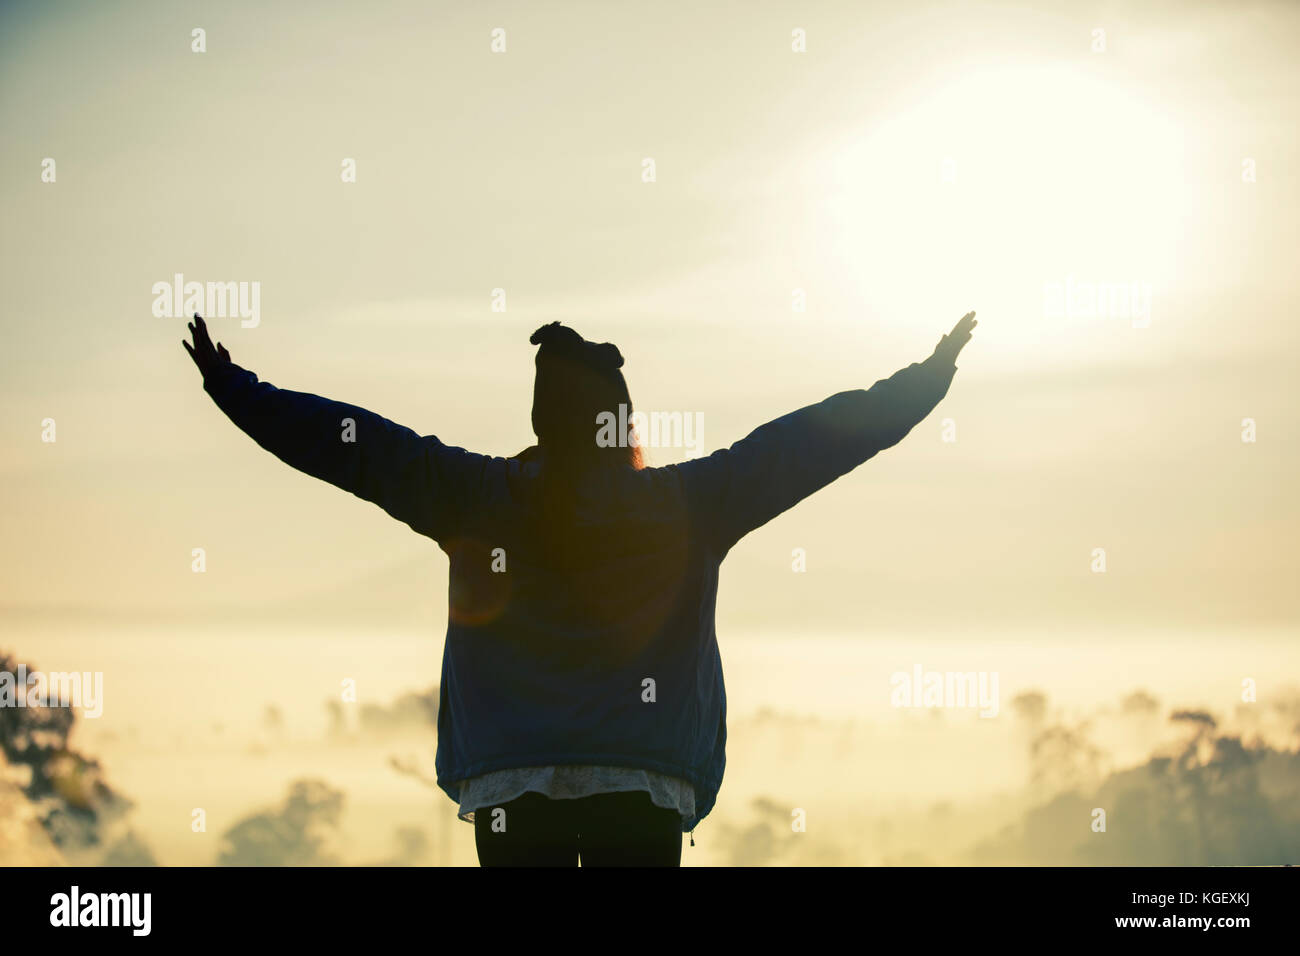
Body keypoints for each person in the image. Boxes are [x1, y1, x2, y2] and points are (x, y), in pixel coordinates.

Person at [183, 310, 976, 866]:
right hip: (641, 780)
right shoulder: (691, 504)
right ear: (618, 419)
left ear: (541, 417)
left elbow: (352, 446)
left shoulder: (471, 495)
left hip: (510, 779)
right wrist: (925, 381)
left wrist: (235, 388)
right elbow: (803, 446)